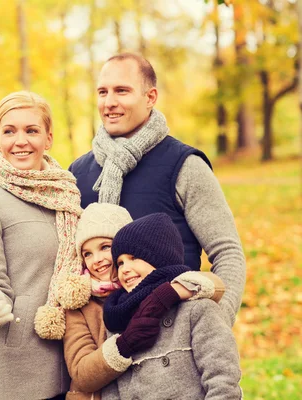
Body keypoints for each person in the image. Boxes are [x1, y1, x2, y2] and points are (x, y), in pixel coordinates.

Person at [69, 52, 246, 326]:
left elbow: (227, 253)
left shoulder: (184, 164)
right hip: (100, 344)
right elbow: (65, 263)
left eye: (122, 91)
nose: (109, 102)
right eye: (102, 92)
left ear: (150, 97)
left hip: (171, 338)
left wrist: (213, 329)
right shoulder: (77, 173)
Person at [0, 91, 86, 399]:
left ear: (48, 139)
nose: (20, 141)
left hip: (73, 362)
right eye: (9, 131)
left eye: (31, 130)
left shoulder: (68, 197)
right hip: (15, 374)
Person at [63, 203, 225, 400]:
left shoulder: (167, 293)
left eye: (105, 247)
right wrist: (126, 342)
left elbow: (211, 285)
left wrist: (166, 294)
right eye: (87, 253)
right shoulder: (85, 305)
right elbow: (89, 377)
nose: (96, 259)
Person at [102, 213, 242, 399]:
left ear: (158, 256)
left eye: (133, 257)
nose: (124, 269)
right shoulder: (118, 320)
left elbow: (223, 379)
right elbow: (112, 391)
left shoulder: (197, 310)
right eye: (120, 263)